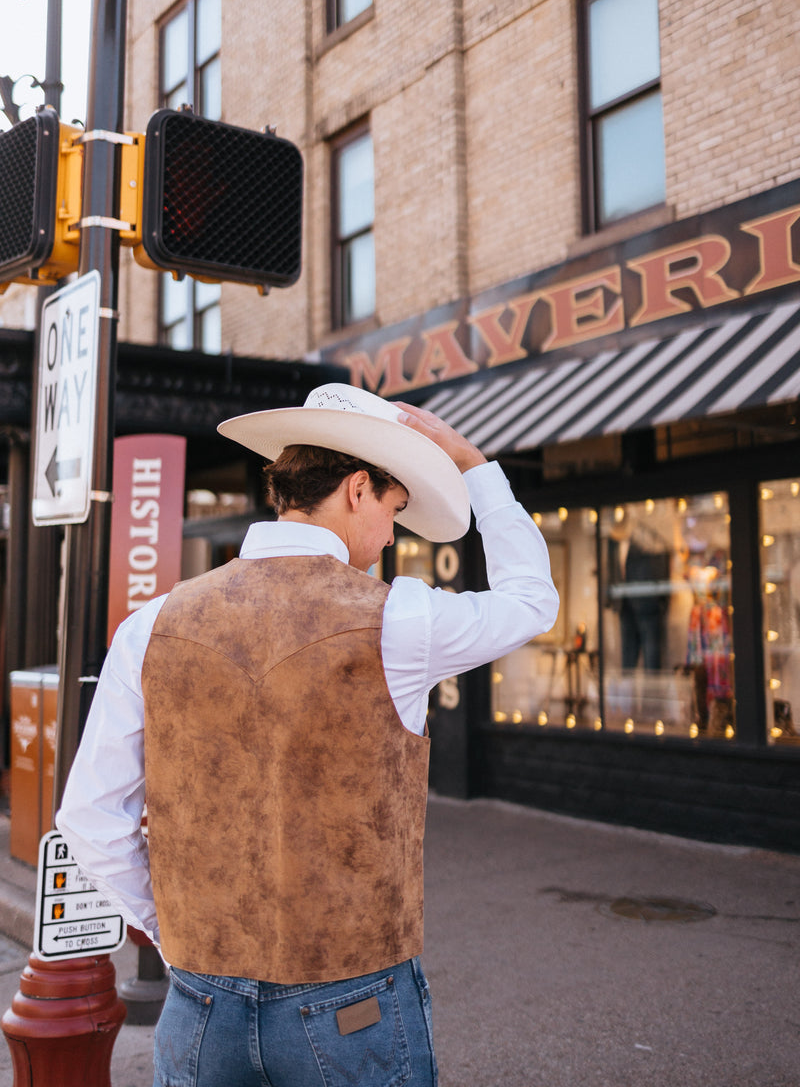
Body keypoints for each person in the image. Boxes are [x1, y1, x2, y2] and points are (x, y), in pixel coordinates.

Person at [57, 383, 558, 1087]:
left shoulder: (153, 623)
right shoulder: (398, 619)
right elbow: (533, 601)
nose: (391, 534)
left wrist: (180, 942)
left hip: (200, 1003)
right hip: (353, 1010)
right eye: (393, 508)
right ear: (357, 489)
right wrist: (475, 464)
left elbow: (88, 820)